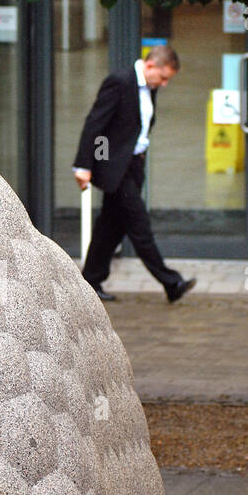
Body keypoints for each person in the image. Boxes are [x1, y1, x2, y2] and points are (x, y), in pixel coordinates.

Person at [73, 45, 196, 303]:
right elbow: (95, 122)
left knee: (111, 226)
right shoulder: (119, 82)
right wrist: (83, 165)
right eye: (163, 78)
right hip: (117, 169)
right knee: (140, 226)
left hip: (134, 166)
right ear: (150, 65)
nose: (163, 85)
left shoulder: (149, 88)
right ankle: (171, 282)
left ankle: (90, 282)